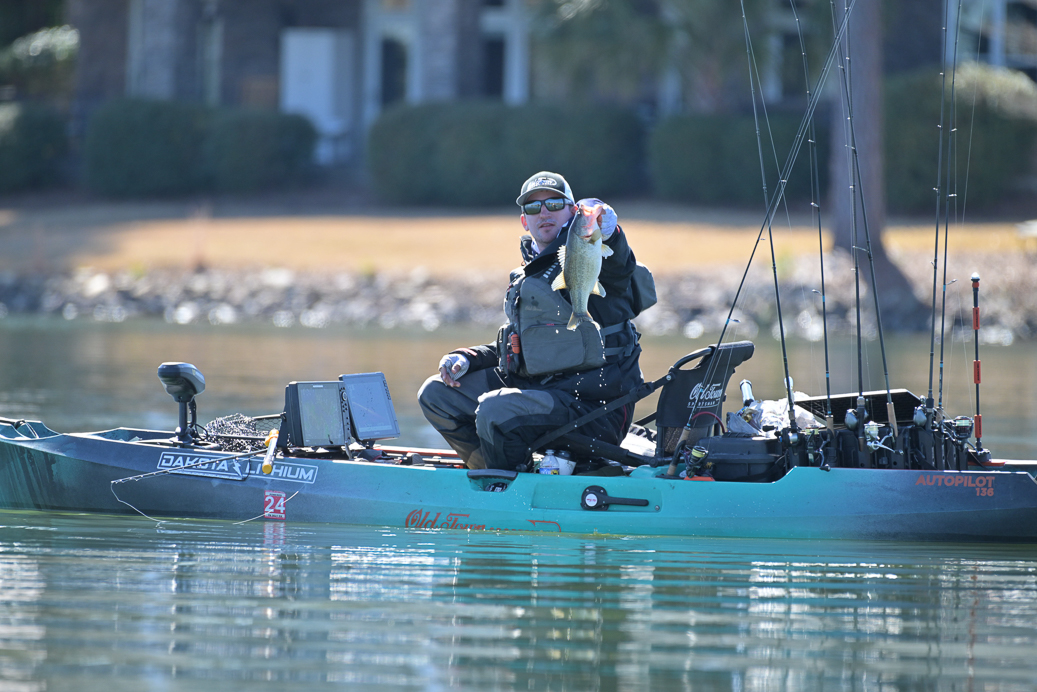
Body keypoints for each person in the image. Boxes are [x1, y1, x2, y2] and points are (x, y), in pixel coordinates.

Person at [417, 171, 650, 471]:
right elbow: (523, 346)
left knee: (495, 410)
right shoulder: (525, 275)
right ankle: (489, 469)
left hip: (595, 409)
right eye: (533, 208)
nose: (544, 213)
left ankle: (507, 486)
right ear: (524, 221)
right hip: (540, 392)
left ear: (572, 212)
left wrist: (612, 233)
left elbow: (619, 270)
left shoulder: (590, 254)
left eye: (554, 204)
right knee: (436, 394)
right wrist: (465, 357)